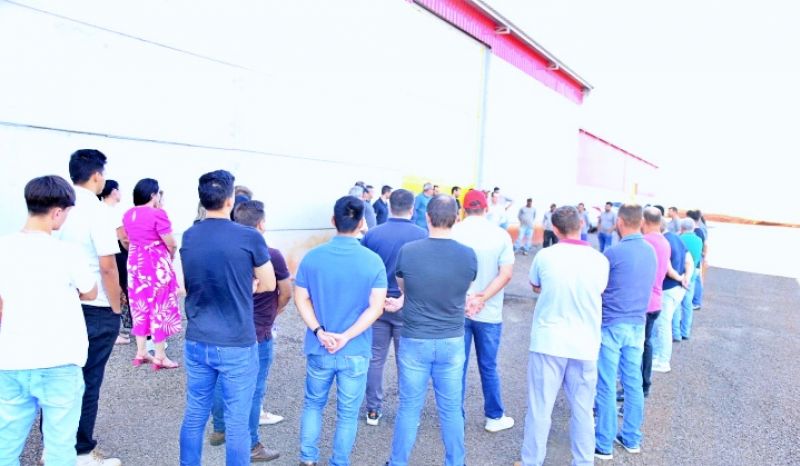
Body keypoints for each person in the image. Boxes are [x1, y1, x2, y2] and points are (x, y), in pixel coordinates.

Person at [179, 170, 277, 466]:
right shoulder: (249, 236)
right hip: (236, 341)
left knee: (195, 414)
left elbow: (190, 282)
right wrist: (249, 285)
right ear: (231, 200)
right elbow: (269, 283)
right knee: (237, 421)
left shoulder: (190, 235)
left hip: (197, 338)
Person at [0, 176, 98, 466]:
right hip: (60, 360)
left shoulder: (3, 247)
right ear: (57, 212)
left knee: (5, 447)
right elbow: (90, 291)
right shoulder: (67, 252)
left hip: (11, 359)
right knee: (59, 449)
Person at [295, 196, 387, 466]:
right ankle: (339, 461)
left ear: (333, 220)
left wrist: (319, 331)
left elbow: (301, 299)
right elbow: (376, 308)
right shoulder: (373, 261)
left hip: (320, 346)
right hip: (355, 349)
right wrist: (346, 336)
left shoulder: (312, 257)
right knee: (347, 414)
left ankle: (307, 459)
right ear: (362, 223)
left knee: (313, 404)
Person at [388, 195, 477, 466]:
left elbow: (404, 286)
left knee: (409, 408)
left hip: (415, 338)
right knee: (451, 409)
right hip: (451, 339)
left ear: (427, 217)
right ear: (457, 218)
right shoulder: (468, 255)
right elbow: (464, 288)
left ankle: (398, 462)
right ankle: (456, 461)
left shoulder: (409, 251)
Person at [518, 206, 609, 466]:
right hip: (585, 343)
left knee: (540, 408)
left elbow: (536, 285)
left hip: (549, 340)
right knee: (583, 409)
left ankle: (532, 461)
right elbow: (600, 290)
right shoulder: (600, 260)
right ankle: (583, 461)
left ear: (555, 229)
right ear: (581, 224)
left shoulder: (545, 256)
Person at [208, 200, 291, 462]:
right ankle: (252, 444)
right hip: (258, 331)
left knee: (221, 378)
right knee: (254, 388)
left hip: (227, 327)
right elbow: (286, 292)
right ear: (261, 224)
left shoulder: (223, 253)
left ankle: (220, 428)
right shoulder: (271, 254)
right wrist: (274, 312)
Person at [55, 149, 123, 466]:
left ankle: (54, 450)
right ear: (97, 175)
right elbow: (107, 266)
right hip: (95, 306)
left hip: (62, 303)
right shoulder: (97, 210)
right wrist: (116, 308)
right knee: (88, 380)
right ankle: (80, 452)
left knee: (60, 378)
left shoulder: (58, 206)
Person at [594, 204, 657, 460]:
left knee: (607, 383)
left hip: (611, 323)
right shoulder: (651, 252)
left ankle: (604, 443)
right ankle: (631, 438)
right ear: (640, 222)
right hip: (637, 324)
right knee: (633, 383)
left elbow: (598, 287)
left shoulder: (613, 253)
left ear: (619, 222)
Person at [362, 189, 427, 426]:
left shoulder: (372, 234)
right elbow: (423, 274)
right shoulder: (422, 235)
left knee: (375, 358)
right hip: (408, 306)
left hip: (377, 305)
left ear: (389, 205)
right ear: (412, 208)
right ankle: (409, 412)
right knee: (408, 361)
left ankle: (373, 409)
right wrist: (403, 298)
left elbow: (365, 271)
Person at [452, 189, 515, 432]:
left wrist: (467, 297)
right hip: (489, 312)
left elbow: (447, 271)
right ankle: (494, 417)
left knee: (457, 366)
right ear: (486, 208)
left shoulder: (453, 232)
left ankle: (455, 416)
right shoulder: (500, 235)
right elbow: (506, 274)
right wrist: (482, 297)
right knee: (488, 366)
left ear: (463, 209)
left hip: (458, 309)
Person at [122, 178, 181, 370]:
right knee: (160, 307)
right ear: (153, 195)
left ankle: (141, 352)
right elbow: (171, 243)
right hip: (155, 265)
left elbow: (127, 239)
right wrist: (170, 256)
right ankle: (160, 356)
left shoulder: (128, 214)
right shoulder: (158, 214)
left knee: (139, 306)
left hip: (135, 264)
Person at [652, 219, 693, 373]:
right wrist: (686, 277)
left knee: (662, 326)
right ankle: (657, 356)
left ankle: (662, 361)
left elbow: (668, 269)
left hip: (668, 289)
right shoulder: (677, 238)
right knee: (663, 324)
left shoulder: (663, 242)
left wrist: (679, 278)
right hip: (678, 290)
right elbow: (689, 261)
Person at [638, 208, 671, 398]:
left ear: (644, 220)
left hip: (643, 301)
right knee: (646, 343)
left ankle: (639, 386)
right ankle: (644, 383)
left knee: (638, 346)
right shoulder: (664, 242)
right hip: (656, 300)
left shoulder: (645, 242)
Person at [98, 180, 131, 345]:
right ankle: (123, 331)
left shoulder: (97, 209)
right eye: (119, 190)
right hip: (117, 252)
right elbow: (124, 237)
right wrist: (132, 251)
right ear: (113, 191)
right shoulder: (113, 211)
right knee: (123, 289)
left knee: (110, 289)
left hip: (102, 253)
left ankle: (121, 329)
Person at [674, 218, 703, 341]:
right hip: (693, 273)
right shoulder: (699, 240)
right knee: (687, 304)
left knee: (676, 304)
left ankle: (676, 332)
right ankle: (685, 331)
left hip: (681, 274)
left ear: (682, 228)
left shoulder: (679, 239)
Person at [686, 210, 707, 310]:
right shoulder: (700, 231)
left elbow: (704, 246)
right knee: (697, 281)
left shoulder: (697, 232)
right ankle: (696, 301)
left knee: (696, 282)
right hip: (696, 261)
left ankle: (696, 302)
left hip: (695, 262)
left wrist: (704, 257)